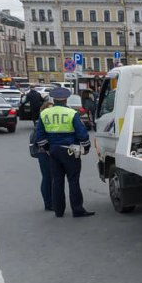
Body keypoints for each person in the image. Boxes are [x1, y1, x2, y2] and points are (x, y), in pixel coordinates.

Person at [35, 87, 95, 218]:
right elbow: (82, 133)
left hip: (54, 151)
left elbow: (39, 135)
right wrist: (86, 147)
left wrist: (47, 148)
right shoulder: (71, 113)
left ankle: (59, 210)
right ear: (66, 99)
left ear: (53, 99)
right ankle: (77, 209)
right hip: (70, 150)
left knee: (57, 181)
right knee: (73, 181)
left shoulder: (45, 113)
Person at [29, 100, 53, 211]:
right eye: (48, 109)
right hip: (43, 152)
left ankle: (52, 201)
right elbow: (39, 139)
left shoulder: (51, 121)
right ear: (43, 111)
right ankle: (48, 203)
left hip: (50, 152)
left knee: (52, 178)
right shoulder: (41, 122)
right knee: (47, 177)